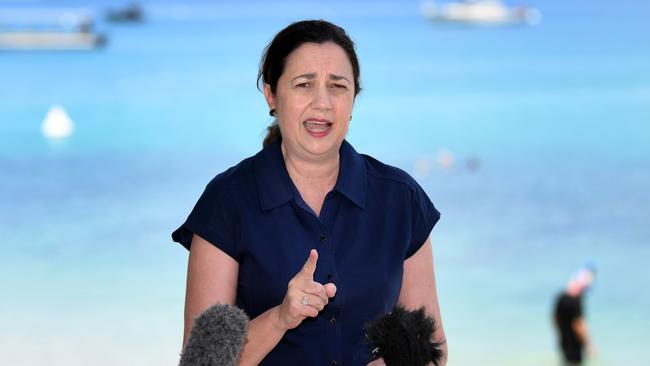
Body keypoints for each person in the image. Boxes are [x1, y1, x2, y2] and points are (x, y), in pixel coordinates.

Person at [172, 19, 447, 366]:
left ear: (353, 99)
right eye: (304, 85)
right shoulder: (227, 201)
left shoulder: (400, 198)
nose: (322, 103)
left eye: (337, 86)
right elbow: (201, 363)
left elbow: (432, 349)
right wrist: (281, 317)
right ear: (272, 94)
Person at [553, 265, 596, 365]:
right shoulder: (576, 301)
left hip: (563, 339)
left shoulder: (561, 297)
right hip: (574, 343)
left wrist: (561, 333)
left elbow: (555, 318)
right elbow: (578, 324)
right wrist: (588, 344)